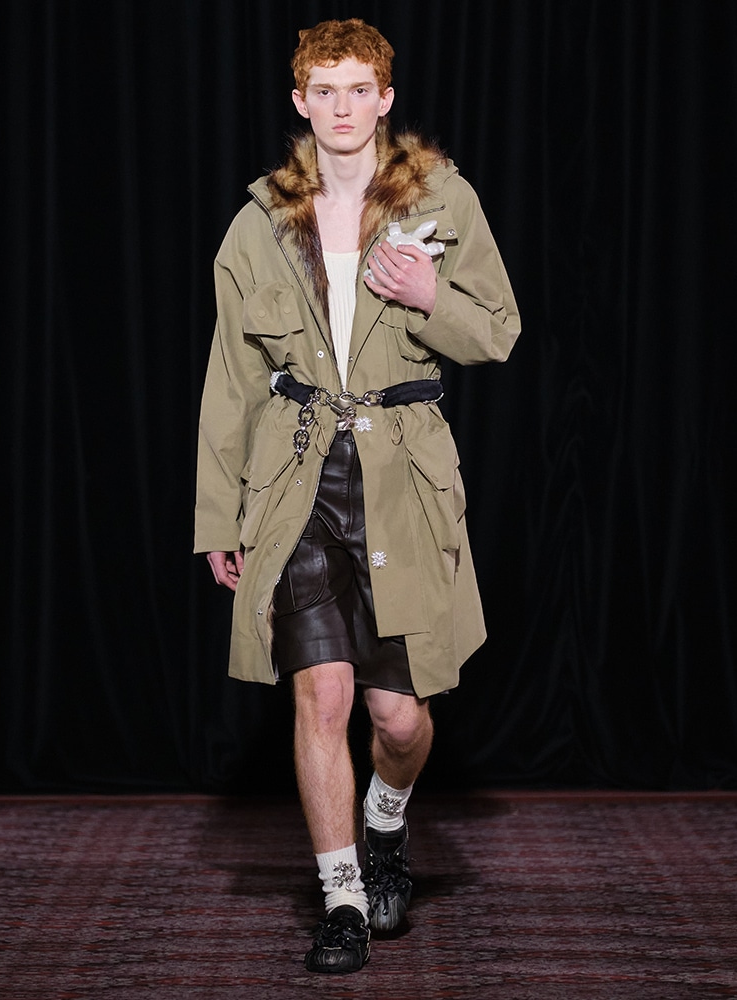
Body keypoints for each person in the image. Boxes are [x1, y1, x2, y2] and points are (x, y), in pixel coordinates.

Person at [195, 18, 520, 974]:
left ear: (385, 98)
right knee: (322, 693)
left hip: (401, 477)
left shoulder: (441, 199)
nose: (342, 108)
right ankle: (341, 898)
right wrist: (219, 517)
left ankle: (386, 818)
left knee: (399, 720)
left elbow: (498, 332)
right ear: (301, 102)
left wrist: (429, 296)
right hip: (296, 476)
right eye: (324, 91)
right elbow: (230, 379)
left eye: (359, 90)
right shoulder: (261, 222)